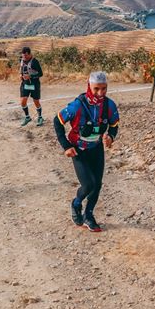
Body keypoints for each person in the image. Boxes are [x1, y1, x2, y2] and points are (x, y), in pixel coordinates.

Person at [54, 71, 120, 232]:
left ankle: (88, 215)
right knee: (88, 184)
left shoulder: (109, 105)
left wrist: (111, 137)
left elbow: (114, 125)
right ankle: (76, 203)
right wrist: (66, 146)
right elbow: (57, 121)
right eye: (96, 89)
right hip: (78, 150)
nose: (100, 93)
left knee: (97, 185)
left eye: (104, 89)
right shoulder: (77, 105)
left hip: (96, 149)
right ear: (89, 86)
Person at [18, 46, 44, 126]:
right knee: (22, 102)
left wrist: (31, 76)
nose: (24, 57)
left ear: (29, 54)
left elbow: (41, 74)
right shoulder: (21, 60)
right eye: (23, 56)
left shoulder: (35, 62)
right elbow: (21, 69)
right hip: (25, 84)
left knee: (36, 101)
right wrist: (20, 75)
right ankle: (27, 117)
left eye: (25, 56)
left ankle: (40, 117)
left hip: (34, 84)